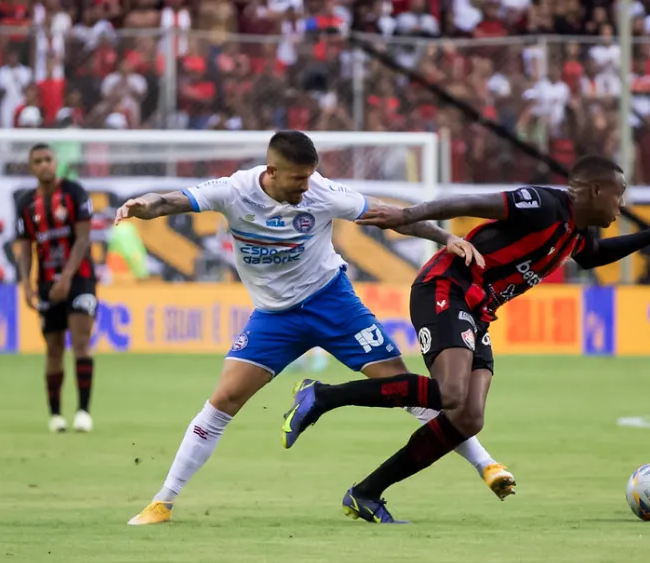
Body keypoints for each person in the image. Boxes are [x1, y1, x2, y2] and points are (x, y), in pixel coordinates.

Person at [117, 131, 516, 526]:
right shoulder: (234, 190)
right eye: (298, 179)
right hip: (275, 318)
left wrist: (444, 236)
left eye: (311, 177)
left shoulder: (322, 193)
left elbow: (391, 216)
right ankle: (163, 502)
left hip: (334, 304)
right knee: (223, 401)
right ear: (271, 171)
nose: (307, 187)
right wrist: (142, 206)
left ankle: (485, 464)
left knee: (402, 386)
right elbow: (170, 200)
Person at [282, 155, 650, 523]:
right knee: (452, 393)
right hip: (447, 287)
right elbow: (466, 203)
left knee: (468, 416)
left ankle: (367, 493)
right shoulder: (544, 205)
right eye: (619, 195)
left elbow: (592, 256)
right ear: (596, 190)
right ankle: (321, 396)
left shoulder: (575, 234)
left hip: (477, 311)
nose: (621, 206)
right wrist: (409, 215)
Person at [14, 143, 96, 433]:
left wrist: (67, 279)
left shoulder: (74, 192)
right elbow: (25, 248)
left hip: (81, 279)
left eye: (48, 159)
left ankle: (84, 411)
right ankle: (56, 415)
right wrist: (25, 283)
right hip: (46, 282)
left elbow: (83, 239)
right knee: (53, 348)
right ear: (31, 167)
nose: (44, 165)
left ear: (56, 162)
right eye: (38, 161)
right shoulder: (26, 203)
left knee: (81, 341)